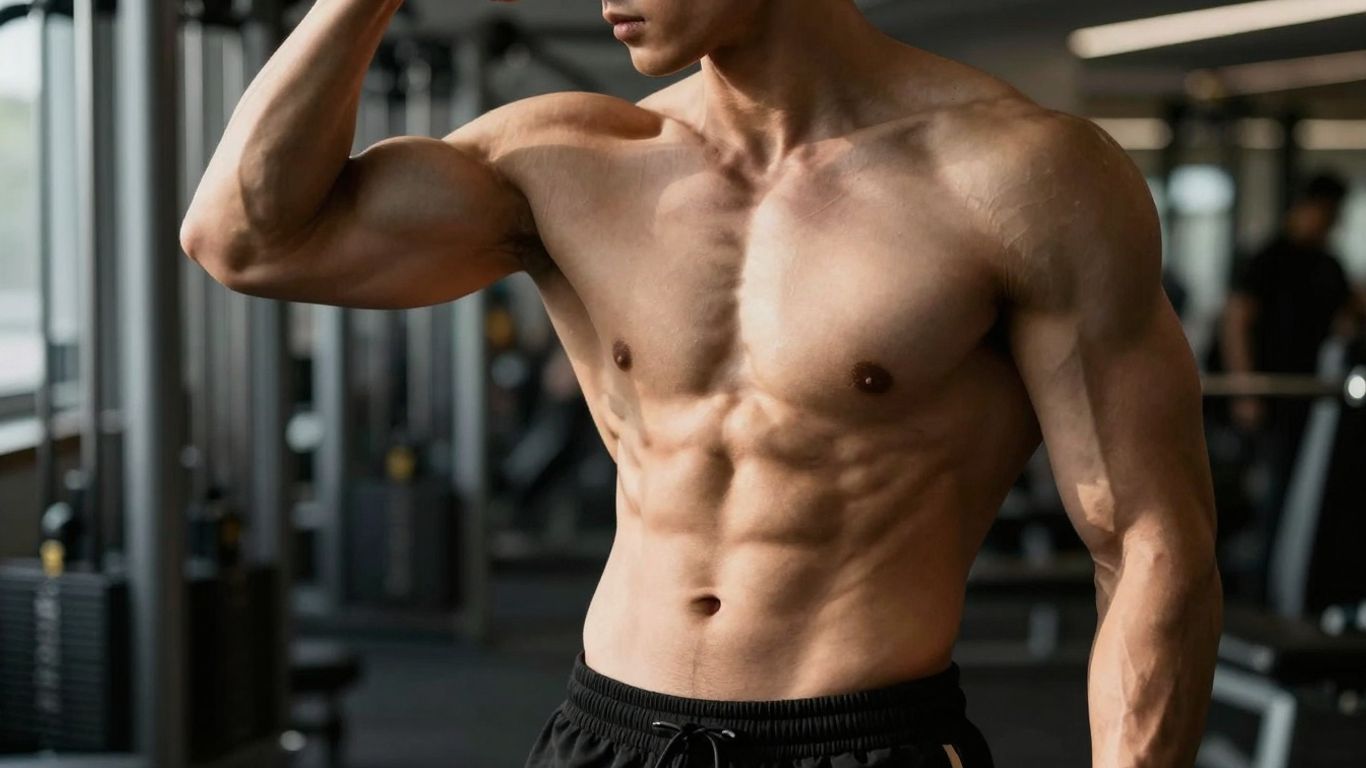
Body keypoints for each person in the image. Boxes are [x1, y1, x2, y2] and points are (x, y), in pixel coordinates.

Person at [181, 1, 1222, 765]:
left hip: (859, 743)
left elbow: (1145, 542)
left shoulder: (1020, 177)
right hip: (607, 734)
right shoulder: (572, 158)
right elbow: (246, 239)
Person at [1219, 172, 1360, 601]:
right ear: (1309, 207)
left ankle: (1292, 592)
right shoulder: (1268, 258)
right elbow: (1236, 323)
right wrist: (1245, 389)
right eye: (1330, 213)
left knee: (1309, 501)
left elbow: (1350, 315)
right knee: (1275, 501)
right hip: (1273, 399)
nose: (1333, 223)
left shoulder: (1328, 264)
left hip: (1316, 404)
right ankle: (1263, 595)